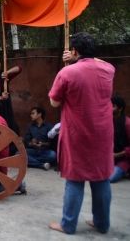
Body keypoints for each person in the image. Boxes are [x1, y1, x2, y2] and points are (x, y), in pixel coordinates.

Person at [48, 32, 114, 235]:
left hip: (77, 133)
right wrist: (79, 57)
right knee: (101, 178)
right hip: (103, 132)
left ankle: (68, 225)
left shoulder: (67, 73)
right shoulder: (109, 69)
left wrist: (70, 62)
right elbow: (95, 60)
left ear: (74, 51)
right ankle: (102, 223)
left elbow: (54, 102)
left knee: (75, 179)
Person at [0, 54, 21, 134]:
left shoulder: (4, 75)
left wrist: (7, 72)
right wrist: (0, 97)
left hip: (6, 105)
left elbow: (19, 69)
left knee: (9, 124)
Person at [109, 95, 130, 183]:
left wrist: (116, 155)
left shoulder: (127, 123)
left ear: (120, 109)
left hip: (124, 159)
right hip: (109, 159)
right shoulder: (108, 121)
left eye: (113, 106)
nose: (109, 108)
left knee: (111, 178)